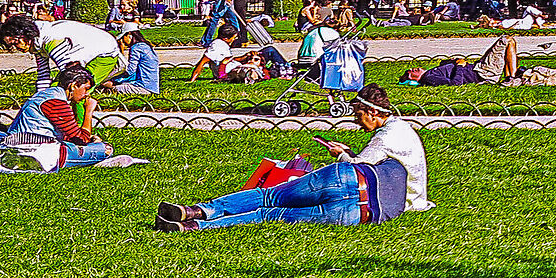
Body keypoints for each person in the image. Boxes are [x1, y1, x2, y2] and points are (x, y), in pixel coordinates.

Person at [156, 84, 429, 231]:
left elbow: (360, 165)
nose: (358, 123)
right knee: (268, 215)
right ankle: (193, 226)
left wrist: (341, 154)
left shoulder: (385, 137)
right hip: (360, 213)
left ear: (372, 113)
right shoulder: (401, 130)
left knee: (268, 196)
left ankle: (198, 210)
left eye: (358, 117)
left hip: (347, 178)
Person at [0, 63, 110, 169]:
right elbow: (81, 140)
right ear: (74, 86)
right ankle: (96, 161)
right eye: (85, 89)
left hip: (14, 145)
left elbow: (62, 133)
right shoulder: (57, 103)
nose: (86, 94)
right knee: (106, 149)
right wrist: (88, 111)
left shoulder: (45, 95)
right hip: (38, 154)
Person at [0, 13, 122, 90]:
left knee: (77, 88)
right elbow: (43, 74)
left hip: (104, 53)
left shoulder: (51, 39)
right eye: (11, 46)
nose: (16, 47)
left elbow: (70, 72)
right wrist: (40, 99)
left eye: (16, 42)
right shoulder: (37, 43)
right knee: (56, 91)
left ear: (25, 34)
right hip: (80, 58)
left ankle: (78, 130)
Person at [99, 28, 162, 96]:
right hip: (153, 88)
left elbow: (130, 71)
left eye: (123, 38)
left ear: (129, 35)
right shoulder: (146, 46)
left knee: (107, 85)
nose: (123, 42)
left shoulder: (136, 48)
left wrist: (114, 80)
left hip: (142, 87)